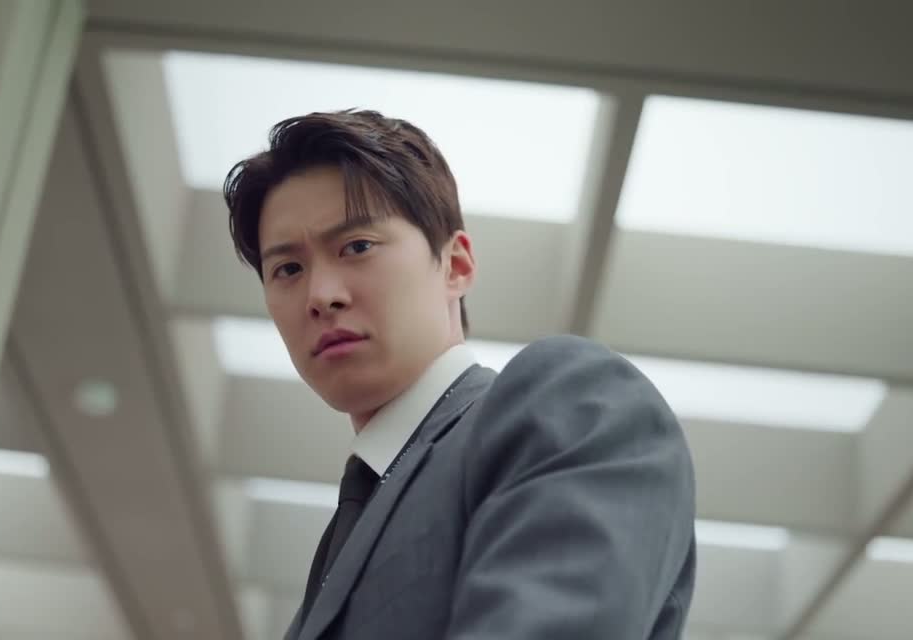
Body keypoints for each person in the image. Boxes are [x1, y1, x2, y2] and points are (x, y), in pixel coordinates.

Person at [223, 109, 696, 640]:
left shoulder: (571, 401)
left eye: (357, 246)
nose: (321, 295)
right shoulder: (342, 538)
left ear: (456, 265)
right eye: (288, 269)